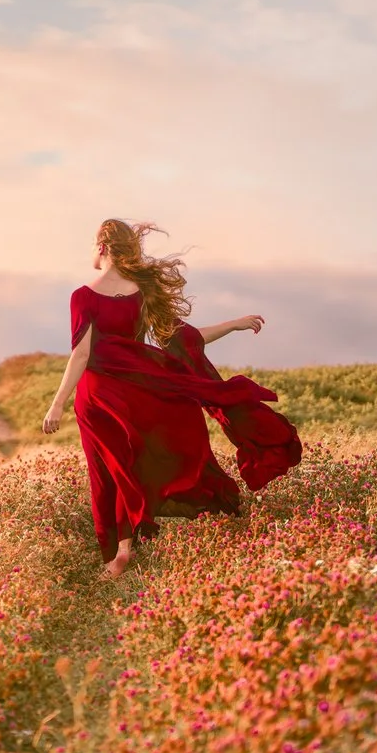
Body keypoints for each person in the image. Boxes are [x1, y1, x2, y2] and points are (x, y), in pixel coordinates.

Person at [40, 219, 303, 577]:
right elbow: (183, 340)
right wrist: (233, 324)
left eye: (91, 244)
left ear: (102, 247)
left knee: (107, 471)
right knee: (133, 461)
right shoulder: (141, 293)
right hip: (137, 392)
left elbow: (81, 355)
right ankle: (124, 550)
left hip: (97, 394)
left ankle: (116, 557)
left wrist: (57, 404)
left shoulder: (82, 296)